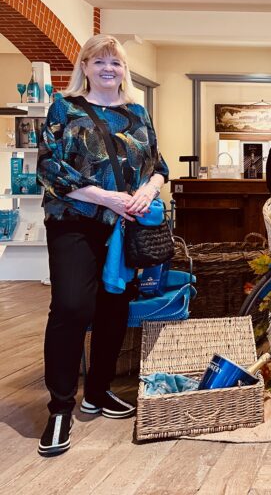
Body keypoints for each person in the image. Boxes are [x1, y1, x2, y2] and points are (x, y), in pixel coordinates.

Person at [35, 34, 169, 457]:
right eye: (99, 62)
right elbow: (49, 169)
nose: (108, 68)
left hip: (122, 228)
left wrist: (149, 189)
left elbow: (158, 166)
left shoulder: (137, 113)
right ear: (85, 67)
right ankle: (60, 408)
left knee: (115, 308)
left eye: (115, 62)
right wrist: (105, 197)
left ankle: (98, 391)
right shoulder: (65, 107)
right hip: (74, 222)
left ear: (123, 69)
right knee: (72, 306)